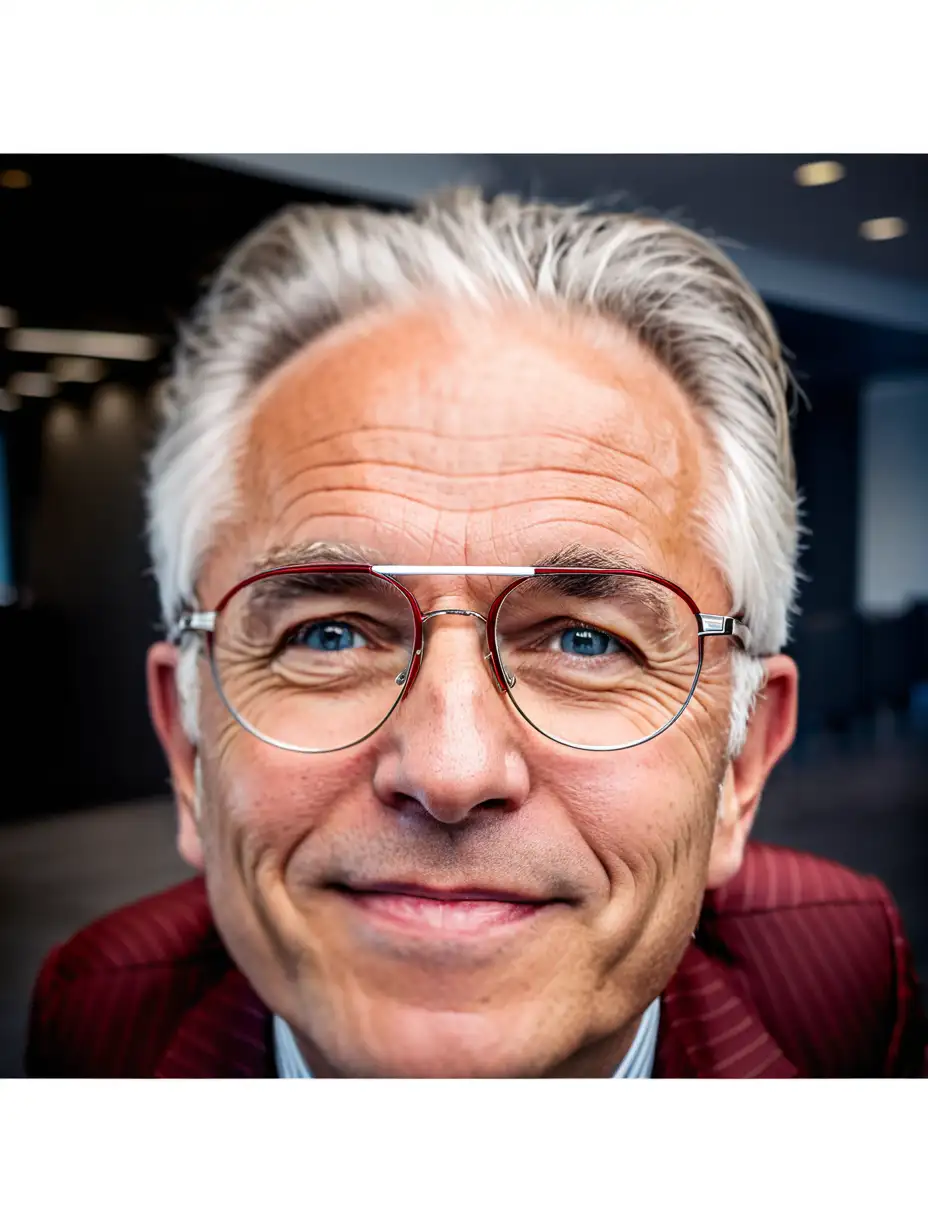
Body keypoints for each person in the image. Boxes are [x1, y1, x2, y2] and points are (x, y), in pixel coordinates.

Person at [26, 190, 926, 1078]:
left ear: (739, 768)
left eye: (586, 641)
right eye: (331, 634)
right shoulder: (97, 1020)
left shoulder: (846, 978)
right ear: (189, 750)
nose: (450, 772)